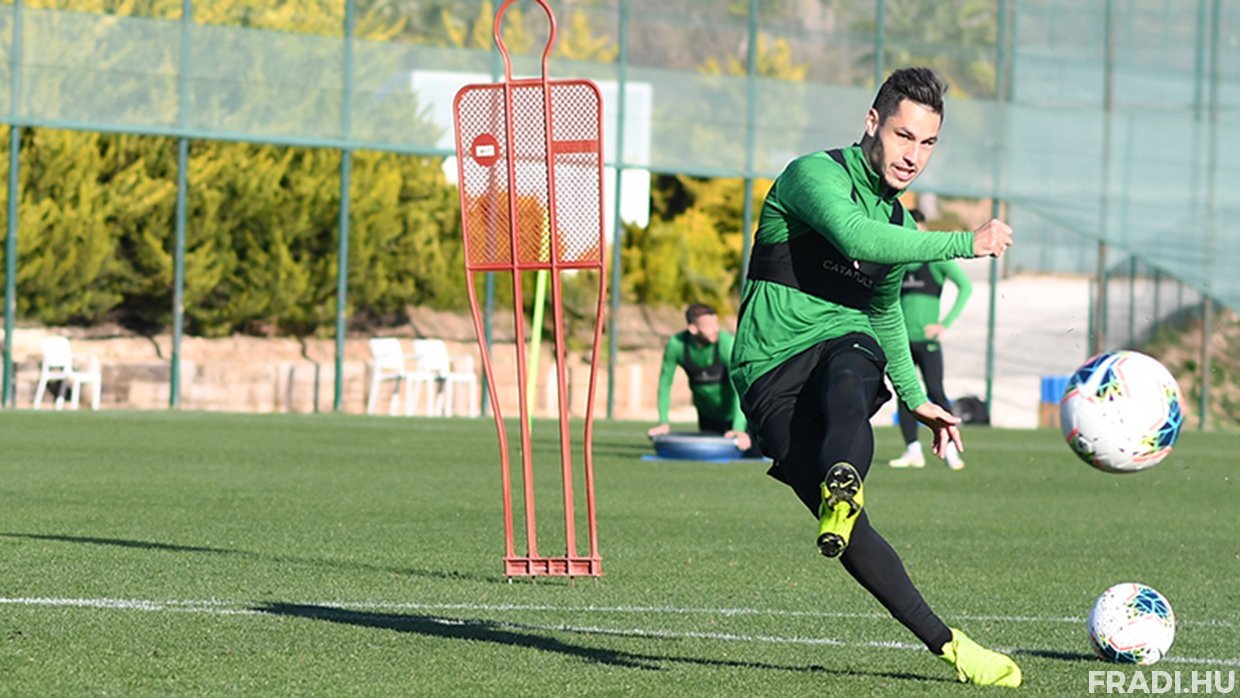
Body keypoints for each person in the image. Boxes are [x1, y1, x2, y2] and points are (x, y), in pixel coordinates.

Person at [731, 67, 1021, 687]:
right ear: (872, 123)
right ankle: (846, 501)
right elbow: (854, 235)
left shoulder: (901, 223)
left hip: (842, 346)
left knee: (855, 358)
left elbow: (884, 312)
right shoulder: (813, 175)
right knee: (855, 535)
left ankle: (953, 648)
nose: (914, 155)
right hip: (768, 370)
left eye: (928, 143)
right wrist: (964, 242)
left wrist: (916, 399)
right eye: (903, 136)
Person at [888, 208, 973, 470]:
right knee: (905, 395)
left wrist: (944, 324)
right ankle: (913, 450)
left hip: (928, 342)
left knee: (936, 391)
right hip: (901, 340)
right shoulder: (898, 260)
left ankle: (951, 450)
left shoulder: (934, 259)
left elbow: (965, 286)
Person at [648, 303, 753, 454]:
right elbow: (665, 385)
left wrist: (738, 428)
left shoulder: (726, 344)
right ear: (693, 328)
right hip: (708, 416)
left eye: (716, 323)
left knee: (752, 456)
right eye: (709, 325)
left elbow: (740, 388)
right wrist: (663, 423)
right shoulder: (676, 345)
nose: (715, 329)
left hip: (740, 416)